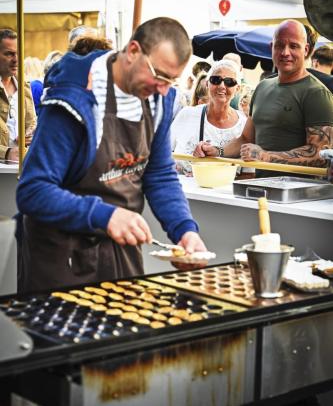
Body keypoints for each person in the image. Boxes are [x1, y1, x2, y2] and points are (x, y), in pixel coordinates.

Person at [16, 17, 207, 293]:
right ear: (132, 52)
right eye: (160, 75)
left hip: (118, 251)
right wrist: (105, 216)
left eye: (172, 80)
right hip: (60, 256)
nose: (164, 89)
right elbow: (33, 191)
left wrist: (185, 230)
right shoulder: (74, 97)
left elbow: (160, 175)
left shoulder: (159, 100)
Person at [199, 20, 333, 176]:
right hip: (262, 189)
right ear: (271, 47)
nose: (285, 52)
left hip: (300, 195)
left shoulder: (317, 93)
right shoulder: (262, 87)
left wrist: (265, 156)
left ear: (306, 50)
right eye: (279, 45)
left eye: (294, 46)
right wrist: (217, 150)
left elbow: (320, 154)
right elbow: (245, 139)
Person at [171, 59, 246, 175]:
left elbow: (248, 174)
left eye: (229, 82)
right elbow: (163, 153)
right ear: (207, 84)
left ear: (238, 89)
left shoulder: (244, 125)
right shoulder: (186, 115)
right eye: (216, 80)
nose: (222, 86)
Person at [0, 29, 36, 162]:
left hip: (20, 167)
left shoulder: (23, 84)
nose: (16, 59)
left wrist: (30, 134)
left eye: (18, 54)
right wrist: (7, 152)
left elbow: (31, 122)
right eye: (9, 54)